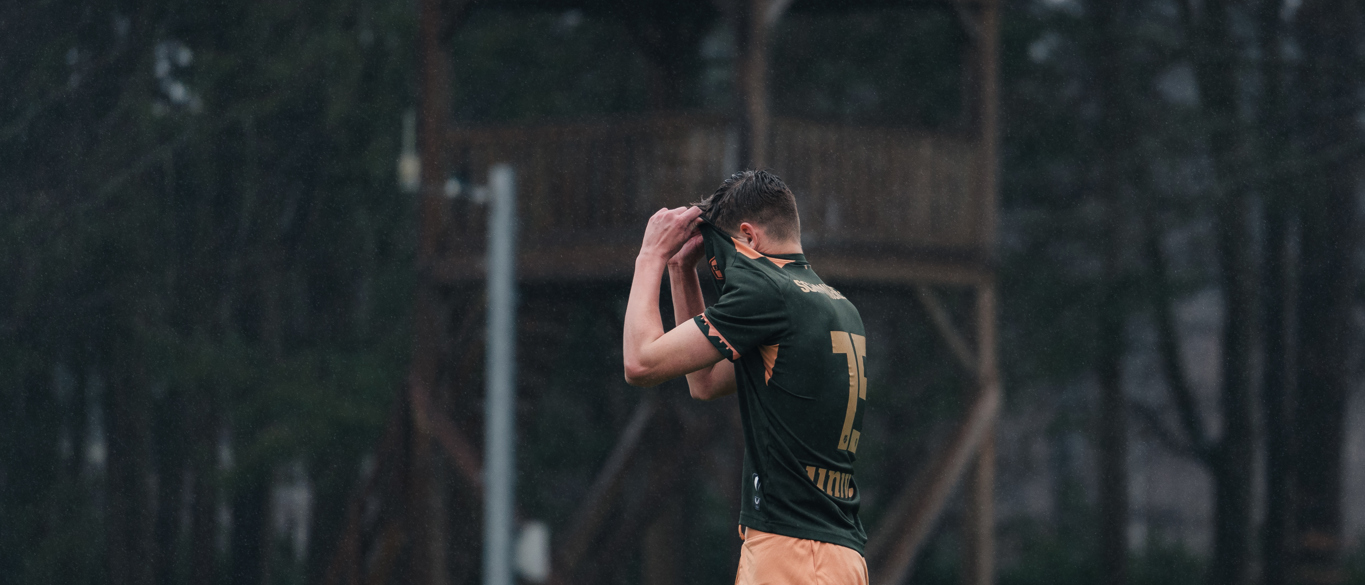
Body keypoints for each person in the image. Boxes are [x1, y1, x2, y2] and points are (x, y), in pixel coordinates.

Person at [622, 170, 869, 585]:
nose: (723, 272)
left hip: (792, 553)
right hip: (834, 555)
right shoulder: (835, 305)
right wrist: (681, 271)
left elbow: (641, 364)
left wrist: (650, 256)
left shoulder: (769, 293)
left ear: (750, 237)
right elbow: (704, 383)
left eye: (723, 255)